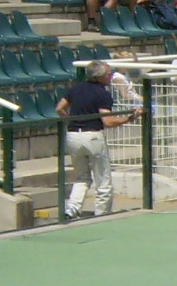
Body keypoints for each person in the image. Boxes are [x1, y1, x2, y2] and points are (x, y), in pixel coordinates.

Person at [56, 61, 131, 220]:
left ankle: (72, 208)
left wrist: (71, 119)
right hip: (93, 136)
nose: (110, 76)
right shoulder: (102, 93)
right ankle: (102, 214)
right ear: (100, 77)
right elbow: (108, 121)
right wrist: (130, 117)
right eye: (108, 74)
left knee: (81, 177)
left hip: (73, 135)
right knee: (103, 178)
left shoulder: (75, 88)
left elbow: (59, 108)